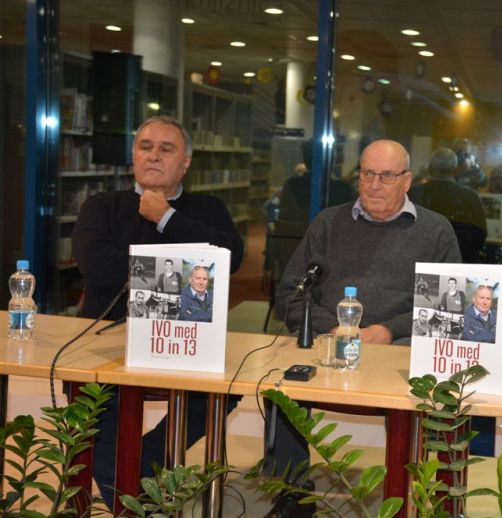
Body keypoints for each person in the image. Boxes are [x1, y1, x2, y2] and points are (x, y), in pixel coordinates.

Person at [267, 139, 461, 515]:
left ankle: (407, 494)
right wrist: (333, 329)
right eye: (367, 174)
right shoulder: (328, 223)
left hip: (400, 347)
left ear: (407, 181)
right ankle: (292, 494)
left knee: (429, 382)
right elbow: (290, 295)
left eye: (386, 176)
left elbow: (448, 312)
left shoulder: (435, 231)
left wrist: (387, 330)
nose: (374, 185)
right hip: (329, 345)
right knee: (277, 381)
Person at [71, 116, 244, 509]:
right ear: (134, 155)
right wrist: (189, 273)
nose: (153, 156)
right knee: (96, 406)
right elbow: (97, 267)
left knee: (225, 391)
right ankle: (137, 502)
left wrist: (166, 218)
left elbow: (229, 259)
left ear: (186, 162)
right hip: (109, 343)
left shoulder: (207, 208)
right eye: (145, 147)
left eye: (166, 149)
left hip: (185, 343)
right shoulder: (102, 205)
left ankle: (141, 468)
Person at [408, 148, 487, 262]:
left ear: (430, 169)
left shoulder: (414, 193)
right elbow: (480, 234)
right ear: (456, 170)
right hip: (461, 261)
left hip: (420, 261)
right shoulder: (471, 197)